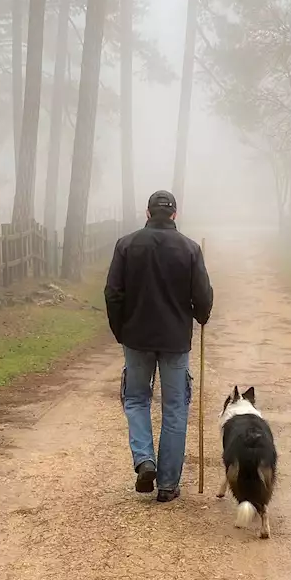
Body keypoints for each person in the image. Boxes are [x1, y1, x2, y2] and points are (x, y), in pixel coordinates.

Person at [104, 190, 214, 502]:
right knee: (175, 408)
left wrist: (120, 330)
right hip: (175, 340)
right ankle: (167, 484)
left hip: (136, 338)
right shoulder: (190, 249)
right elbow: (202, 296)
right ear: (175, 215)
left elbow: (113, 292)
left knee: (137, 400)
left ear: (148, 213)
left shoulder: (126, 245)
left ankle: (144, 460)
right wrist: (201, 315)